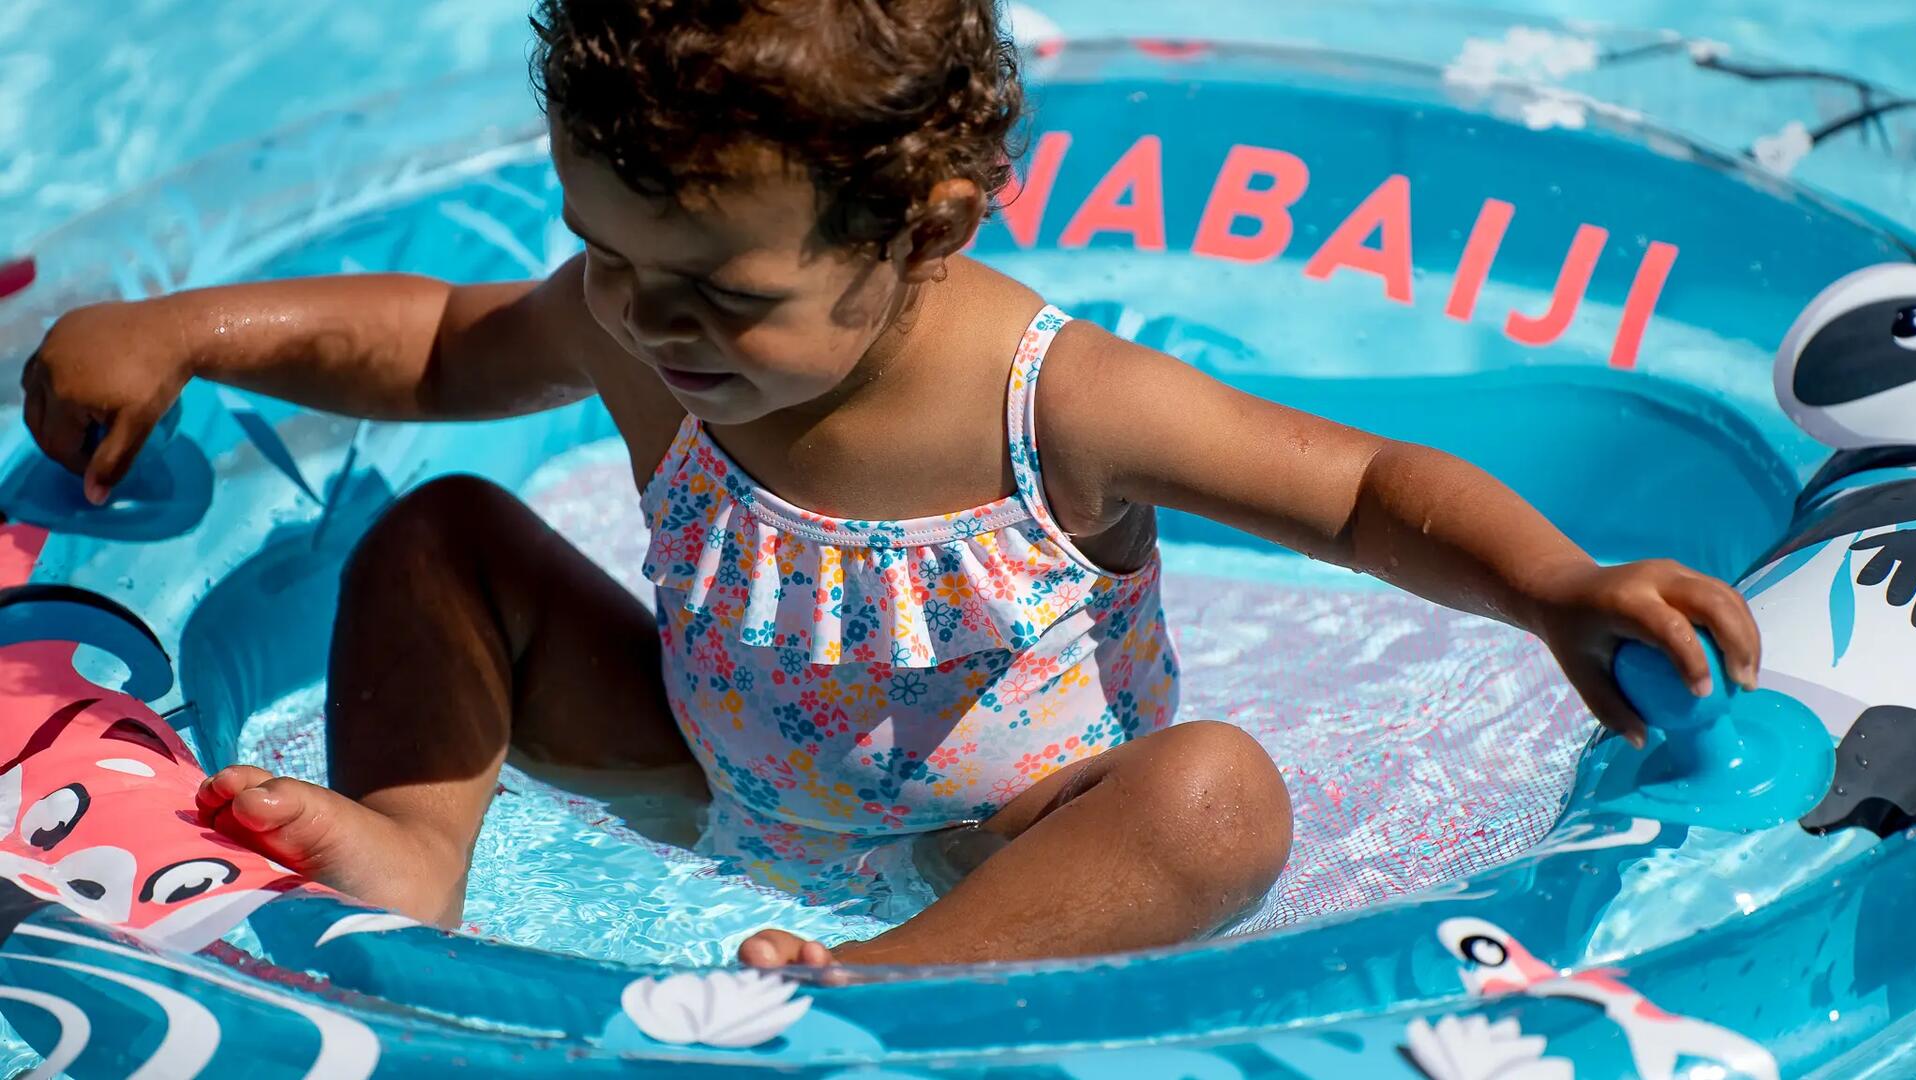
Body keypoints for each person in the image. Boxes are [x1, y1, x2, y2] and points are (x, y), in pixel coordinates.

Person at [20, 0, 1759, 969]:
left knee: (1220, 799)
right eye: (607, 256)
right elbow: (443, 344)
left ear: (921, 231)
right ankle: (415, 843)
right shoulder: (643, 314)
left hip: (999, 845)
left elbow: (1364, 486)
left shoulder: (1051, 398)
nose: (645, 320)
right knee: (434, 538)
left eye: (724, 293)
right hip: (710, 763)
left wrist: (1555, 589)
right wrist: (181, 327)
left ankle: (885, 989)